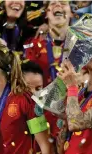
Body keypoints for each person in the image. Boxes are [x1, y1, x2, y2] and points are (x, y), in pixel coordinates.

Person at [25, 0, 73, 138]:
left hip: (72, 116)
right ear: (46, 14)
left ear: (71, 12)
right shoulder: (33, 46)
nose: (58, 5)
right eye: (53, 3)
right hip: (38, 116)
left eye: (63, 3)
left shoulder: (81, 46)